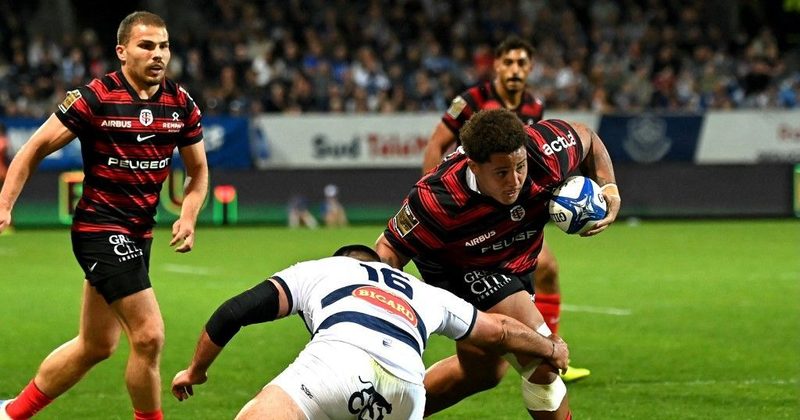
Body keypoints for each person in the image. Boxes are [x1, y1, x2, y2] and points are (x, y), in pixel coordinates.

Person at [0, 11, 208, 420]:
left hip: (139, 234)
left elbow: (198, 172)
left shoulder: (181, 104)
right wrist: (5, 203)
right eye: (146, 46)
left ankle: (11, 413)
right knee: (149, 336)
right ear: (122, 51)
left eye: (164, 46)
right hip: (99, 227)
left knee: (95, 345)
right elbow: (34, 148)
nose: (158, 54)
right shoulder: (96, 97)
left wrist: (188, 215)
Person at [376, 109, 621, 419]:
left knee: (481, 374)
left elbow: (588, 138)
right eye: (502, 173)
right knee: (541, 360)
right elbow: (388, 249)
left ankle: (377, 414)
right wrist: (375, 312)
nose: (515, 180)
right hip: (460, 270)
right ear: (474, 166)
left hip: (517, 264)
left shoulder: (546, 150)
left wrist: (609, 187)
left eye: (520, 167)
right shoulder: (436, 198)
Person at [171, 244, 569, 419]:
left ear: (344, 259)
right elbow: (500, 331)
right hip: (407, 391)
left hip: (337, 364)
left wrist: (195, 371)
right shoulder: (423, 291)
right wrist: (550, 348)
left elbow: (235, 312)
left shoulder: (322, 269)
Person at [420, 35, 589, 382]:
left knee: (548, 269)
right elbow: (437, 143)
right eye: (508, 62)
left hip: (516, 209)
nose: (514, 69)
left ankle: (548, 348)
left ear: (530, 68)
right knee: (485, 363)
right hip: (476, 212)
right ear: (497, 65)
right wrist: (435, 198)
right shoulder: (470, 101)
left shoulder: (534, 105)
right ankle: (542, 351)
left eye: (521, 63)